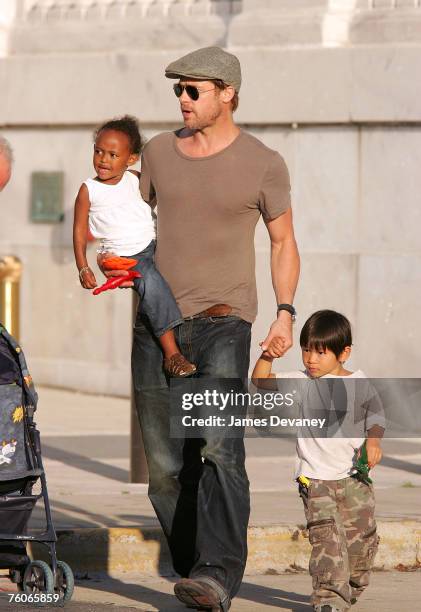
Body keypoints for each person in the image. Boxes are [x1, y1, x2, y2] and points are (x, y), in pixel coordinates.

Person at [101, 46, 300, 611]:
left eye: (193, 90)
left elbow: (284, 241)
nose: (182, 100)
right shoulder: (159, 154)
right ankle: (198, 575)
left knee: (218, 449)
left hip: (223, 324)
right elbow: (129, 224)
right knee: (164, 472)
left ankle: (215, 574)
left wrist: (285, 311)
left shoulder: (263, 162)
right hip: (156, 328)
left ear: (227, 93)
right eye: (178, 91)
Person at [252, 310, 384, 612]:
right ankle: (329, 600)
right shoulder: (300, 382)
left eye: (320, 353)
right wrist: (268, 355)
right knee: (327, 542)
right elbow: (260, 382)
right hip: (315, 480)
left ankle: (350, 588)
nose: (311, 359)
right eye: (306, 350)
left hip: (354, 477)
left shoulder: (360, 384)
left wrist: (374, 442)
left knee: (359, 547)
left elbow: (376, 417)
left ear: (344, 353)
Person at [73, 115, 196, 377]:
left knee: (179, 271)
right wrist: (83, 267)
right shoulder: (89, 189)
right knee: (149, 280)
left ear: (130, 158)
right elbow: (79, 230)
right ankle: (172, 354)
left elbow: (163, 194)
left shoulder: (135, 179)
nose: (103, 160)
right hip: (126, 257)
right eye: (98, 151)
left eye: (113, 154)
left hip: (154, 245)